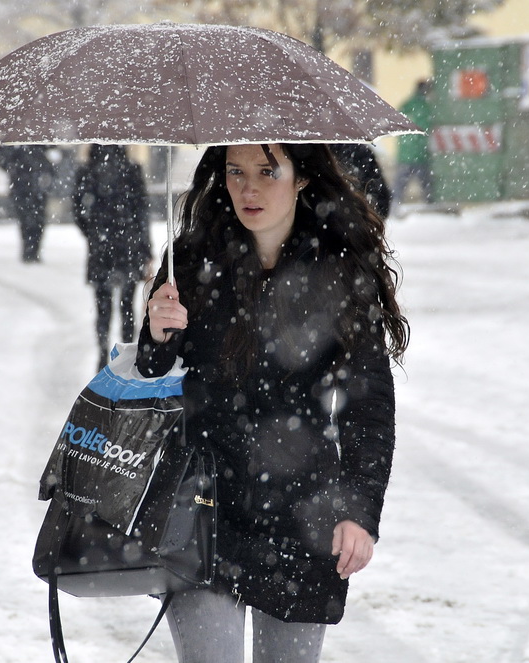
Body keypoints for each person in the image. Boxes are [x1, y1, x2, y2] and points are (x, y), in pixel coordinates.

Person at [135, 143, 408, 663]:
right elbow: (152, 376)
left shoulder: (339, 273)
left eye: (267, 171)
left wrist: (358, 510)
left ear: (302, 177)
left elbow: (369, 408)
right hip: (202, 507)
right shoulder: (191, 261)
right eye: (235, 172)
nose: (249, 188)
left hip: (304, 514)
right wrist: (158, 334)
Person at [72, 145, 152, 369]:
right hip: (128, 245)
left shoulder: (88, 170)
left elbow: (78, 209)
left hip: (101, 247)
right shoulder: (132, 169)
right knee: (127, 305)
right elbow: (142, 212)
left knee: (103, 307)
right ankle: (126, 358)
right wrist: (145, 248)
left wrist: (92, 232)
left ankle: (102, 354)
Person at [0, 145, 54, 262]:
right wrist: (12, 167)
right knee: (26, 219)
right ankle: (29, 249)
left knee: (38, 219)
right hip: (21, 185)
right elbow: (0, 157)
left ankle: (34, 249)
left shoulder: (40, 140)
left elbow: (53, 152)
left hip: (38, 184)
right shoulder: (13, 142)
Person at [395, 79, 434, 205]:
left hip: (404, 154)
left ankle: (393, 207)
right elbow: (428, 128)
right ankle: (430, 206)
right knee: (427, 187)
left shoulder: (407, 104)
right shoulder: (427, 107)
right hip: (420, 154)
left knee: (399, 188)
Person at [330, 143, 392, 218]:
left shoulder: (320, 151)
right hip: (357, 217)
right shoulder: (360, 150)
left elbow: (381, 199)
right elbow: (381, 199)